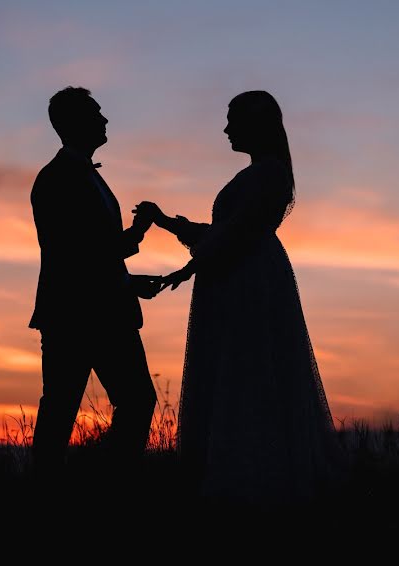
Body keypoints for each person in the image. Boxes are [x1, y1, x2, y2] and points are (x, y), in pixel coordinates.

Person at [137, 91, 344, 503]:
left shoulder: (270, 174)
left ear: (256, 125)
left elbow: (237, 234)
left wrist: (188, 266)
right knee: (232, 373)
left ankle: (253, 484)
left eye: (233, 120)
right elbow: (227, 233)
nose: (227, 129)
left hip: (249, 282)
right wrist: (168, 224)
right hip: (235, 276)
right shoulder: (261, 174)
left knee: (250, 371)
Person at [29, 86, 162, 473]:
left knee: (127, 401)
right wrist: (129, 276)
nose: (105, 120)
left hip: (101, 312)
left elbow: (94, 251)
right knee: (65, 408)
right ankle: (98, 486)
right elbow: (75, 253)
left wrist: (137, 234)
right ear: (75, 123)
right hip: (78, 316)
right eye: (96, 114)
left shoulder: (83, 176)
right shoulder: (57, 179)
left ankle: (100, 483)